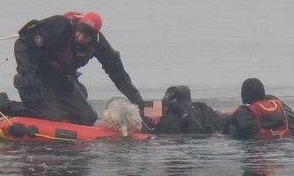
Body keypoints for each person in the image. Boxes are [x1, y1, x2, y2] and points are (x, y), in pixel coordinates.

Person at [13, 11, 145, 126]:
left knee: (88, 118)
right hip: (36, 78)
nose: (80, 37)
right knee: (51, 117)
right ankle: (7, 107)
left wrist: (142, 105)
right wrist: (25, 72)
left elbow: (119, 75)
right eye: (79, 32)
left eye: (86, 36)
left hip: (61, 79)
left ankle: (57, 114)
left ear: (93, 36)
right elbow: (21, 43)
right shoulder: (59, 25)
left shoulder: (99, 44)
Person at [226, 78, 294, 139]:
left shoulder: (241, 114)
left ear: (244, 95)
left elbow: (233, 136)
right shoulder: (278, 107)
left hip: (257, 147)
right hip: (284, 144)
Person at [152, 85, 227, 134]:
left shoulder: (164, 112)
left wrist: (164, 102)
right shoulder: (202, 109)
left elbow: (143, 109)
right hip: (198, 135)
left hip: (169, 137)